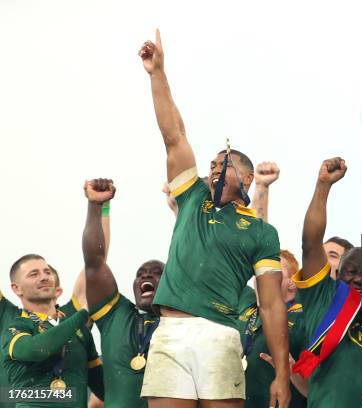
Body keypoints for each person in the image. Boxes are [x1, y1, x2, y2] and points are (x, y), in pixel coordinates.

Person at [138, 30, 289, 408]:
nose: (214, 169)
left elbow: (271, 306)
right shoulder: (192, 199)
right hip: (171, 331)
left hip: (220, 334)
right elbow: (174, 136)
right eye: (212, 165)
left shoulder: (261, 231)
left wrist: (282, 375)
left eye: (224, 165)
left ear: (247, 179)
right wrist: (157, 73)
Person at [291, 157, 362, 407]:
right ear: (337, 275)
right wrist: (323, 186)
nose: (359, 278)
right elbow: (310, 242)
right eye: (351, 271)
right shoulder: (324, 297)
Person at [82, 178, 165, 408]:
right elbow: (94, 263)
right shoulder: (116, 316)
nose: (146, 276)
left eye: (157, 273)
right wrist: (96, 206)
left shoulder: (187, 318)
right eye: (141, 274)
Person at [2, 255, 104, 407]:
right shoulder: (16, 326)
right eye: (34, 274)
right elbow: (36, 350)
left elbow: (101, 385)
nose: (44, 277)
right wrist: (83, 313)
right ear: (17, 288)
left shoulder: (80, 330)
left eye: (47, 272)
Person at [238, 249, 307, 408]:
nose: (264, 273)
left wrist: (292, 369)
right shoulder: (245, 301)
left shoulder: (303, 317)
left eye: (274, 267)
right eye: (261, 269)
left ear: (292, 282)